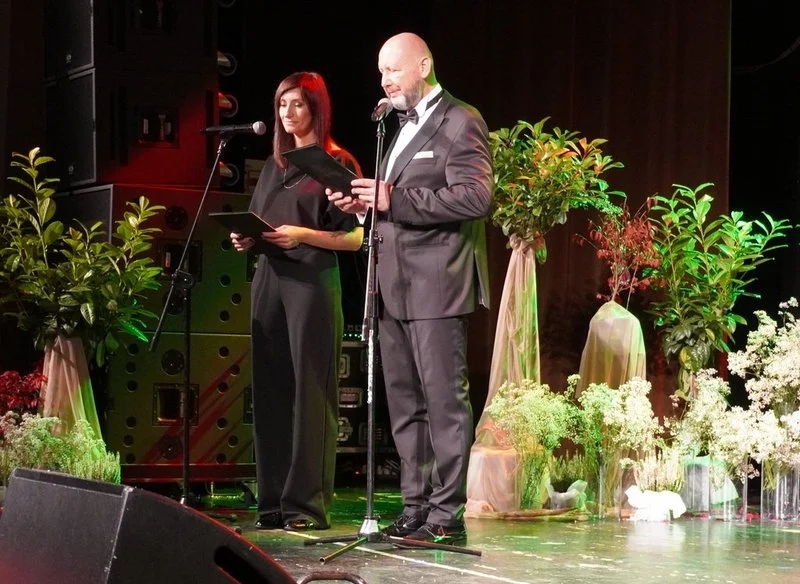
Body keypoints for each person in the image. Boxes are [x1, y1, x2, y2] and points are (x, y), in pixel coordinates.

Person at [327, 32, 492, 543]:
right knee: (404, 404)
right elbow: (390, 203)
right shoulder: (394, 128)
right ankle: (415, 505)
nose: (385, 80)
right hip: (391, 286)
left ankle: (446, 515)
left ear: (424, 65)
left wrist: (393, 198)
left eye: (394, 69)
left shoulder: (460, 120)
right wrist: (364, 206)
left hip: (438, 286)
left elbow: (475, 197)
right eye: (381, 72)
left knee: (444, 402)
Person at [231, 71, 364, 532]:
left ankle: (306, 505)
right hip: (269, 278)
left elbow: (355, 238)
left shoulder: (336, 161)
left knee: (311, 391)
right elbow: (263, 221)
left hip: (311, 280)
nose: (287, 113)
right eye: (282, 105)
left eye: (297, 104)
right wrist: (246, 238)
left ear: (316, 109)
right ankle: (272, 501)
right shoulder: (275, 166)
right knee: (270, 391)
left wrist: (303, 235)